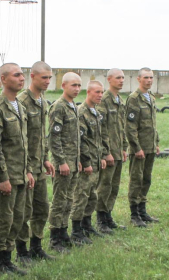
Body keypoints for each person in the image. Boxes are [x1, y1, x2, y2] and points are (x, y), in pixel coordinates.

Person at [0, 63, 35, 274]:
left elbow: (23, 143)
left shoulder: (19, 107)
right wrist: (2, 177)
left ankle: (7, 257)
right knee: (3, 220)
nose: (21, 78)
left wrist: (28, 170)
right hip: (6, 175)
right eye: (16, 75)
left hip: (20, 174)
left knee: (17, 218)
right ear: (3, 79)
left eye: (22, 75)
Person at [15, 61, 56, 263]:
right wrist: (27, 169)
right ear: (32, 76)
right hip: (26, 167)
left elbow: (41, 136)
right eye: (44, 78)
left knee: (42, 208)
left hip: (39, 166)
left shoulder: (42, 101)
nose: (48, 81)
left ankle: (36, 246)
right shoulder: (22, 101)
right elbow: (19, 140)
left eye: (50, 78)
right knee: (24, 210)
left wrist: (46, 159)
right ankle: (21, 251)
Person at [47, 72, 82, 252]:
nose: (77, 89)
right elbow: (54, 137)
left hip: (73, 162)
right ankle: (55, 238)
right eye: (73, 85)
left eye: (79, 85)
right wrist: (61, 161)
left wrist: (77, 160)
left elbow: (74, 137)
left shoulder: (73, 106)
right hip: (63, 164)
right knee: (59, 200)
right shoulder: (59, 107)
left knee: (69, 199)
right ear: (63, 85)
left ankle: (63, 232)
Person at [69, 80, 107, 244]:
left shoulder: (95, 112)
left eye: (102, 92)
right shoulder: (82, 112)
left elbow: (98, 138)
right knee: (81, 196)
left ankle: (86, 225)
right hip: (87, 163)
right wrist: (86, 162)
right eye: (97, 92)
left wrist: (102, 157)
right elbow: (81, 141)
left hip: (96, 161)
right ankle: (76, 230)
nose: (100, 95)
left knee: (92, 196)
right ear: (88, 92)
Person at [125, 67, 160, 227]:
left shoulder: (151, 98)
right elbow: (130, 126)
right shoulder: (134, 99)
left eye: (151, 77)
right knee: (136, 180)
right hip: (139, 149)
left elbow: (152, 124)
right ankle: (134, 214)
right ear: (139, 79)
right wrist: (136, 147)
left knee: (146, 179)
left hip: (149, 146)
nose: (149, 80)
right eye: (146, 77)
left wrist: (156, 143)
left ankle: (142, 210)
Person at [96, 68, 129, 233]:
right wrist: (105, 152)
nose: (121, 80)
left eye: (123, 77)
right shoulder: (104, 100)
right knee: (105, 186)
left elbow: (122, 127)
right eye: (118, 77)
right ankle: (101, 219)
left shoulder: (120, 100)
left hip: (117, 151)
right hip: (108, 152)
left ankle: (108, 216)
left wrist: (124, 147)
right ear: (109, 79)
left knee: (114, 186)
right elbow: (100, 128)